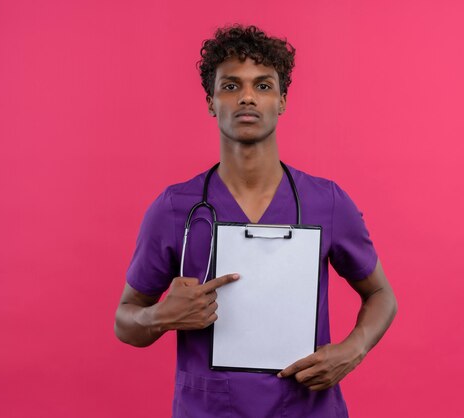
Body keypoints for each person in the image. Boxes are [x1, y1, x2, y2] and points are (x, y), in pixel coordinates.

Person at [114, 24, 397, 417]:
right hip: (208, 409)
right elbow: (125, 320)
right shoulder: (175, 208)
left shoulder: (327, 202)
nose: (247, 97)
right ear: (211, 101)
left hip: (306, 408)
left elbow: (382, 295)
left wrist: (352, 350)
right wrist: (159, 316)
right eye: (230, 86)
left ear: (282, 100)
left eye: (263, 86)